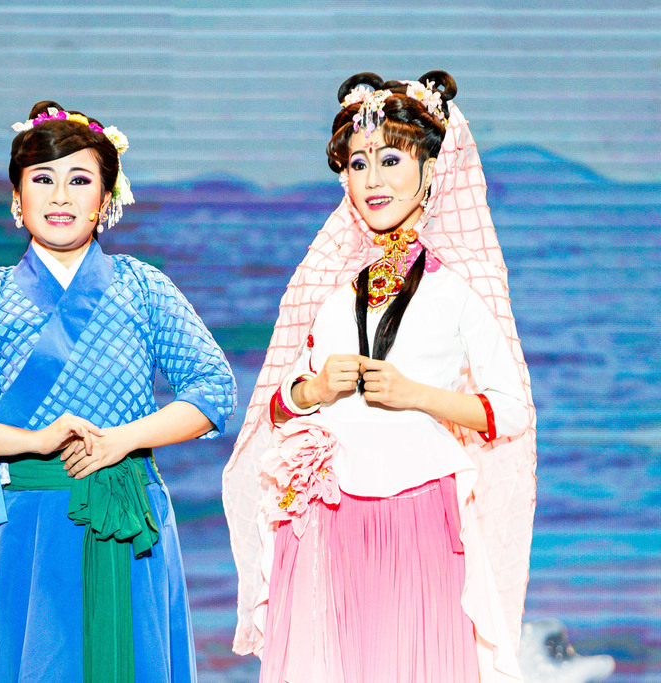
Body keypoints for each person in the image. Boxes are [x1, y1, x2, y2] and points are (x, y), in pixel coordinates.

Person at [222, 72, 537, 682]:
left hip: (420, 506)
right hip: (325, 512)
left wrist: (418, 396)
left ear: (430, 170)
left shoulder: (460, 287)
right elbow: (277, 407)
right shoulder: (329, 287)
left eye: (391, 160)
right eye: (359, 164)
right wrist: (313, 390)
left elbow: (511, 410)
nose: (372, 180)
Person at [0, 101, 236, 683]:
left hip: (127, 517)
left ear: (106, 199)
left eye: (79, 180)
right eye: (43, 179)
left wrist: (122, 441)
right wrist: (33, 442)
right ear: (17, 198)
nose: (60, 196)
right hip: (22, 526)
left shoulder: (145, 289)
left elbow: (214, 390)